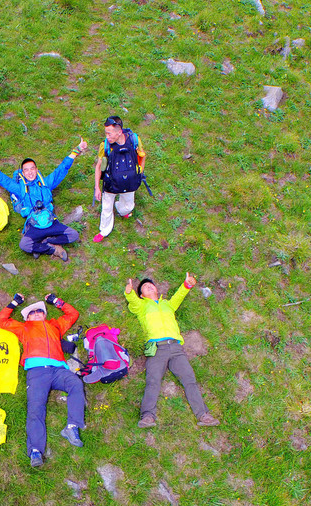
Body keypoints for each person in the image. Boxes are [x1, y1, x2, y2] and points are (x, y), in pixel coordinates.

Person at [0, 293, 86, 467]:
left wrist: (55, 301)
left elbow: (73, 315)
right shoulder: (23, 328)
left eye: (40, 311)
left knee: (76, 383)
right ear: (27, 318)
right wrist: (14, 303)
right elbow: (1, 320)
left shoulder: (55, 326)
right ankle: (36, 451)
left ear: (45, 314)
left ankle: (72, 427)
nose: (37, 313)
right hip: (37, 372)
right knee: (35, 408)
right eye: (32, 312)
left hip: (59, 370)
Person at [124, 273, 220, 428]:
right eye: (144, 287)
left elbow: (178, 297)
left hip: (176, 348)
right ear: (141, 295)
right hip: (156, 348)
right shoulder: (141, 307)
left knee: (189, 380)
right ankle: (148, 416)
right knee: (153, 381)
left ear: (156, 289)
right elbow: (133, 302)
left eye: (151, 285)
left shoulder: (168, 305)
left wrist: (187, 285)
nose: (149, 286)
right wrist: (129, 292)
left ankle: (203, 415)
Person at [0, 140, 87, 261]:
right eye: (26, 170)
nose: (30, 172)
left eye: (32, 169)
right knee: (24, 245)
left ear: (37, 169)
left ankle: (43, 242)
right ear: (22, 173)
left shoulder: (46, 183)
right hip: (33, 224)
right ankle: (53, 249)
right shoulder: (19, 189)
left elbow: (62, 168)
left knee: (73, 235)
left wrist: (77, 149)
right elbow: (1, 178)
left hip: (50, 221)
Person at [92, 115, 147, 243]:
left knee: (128, 206)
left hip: (130, 182)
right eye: (106, 133)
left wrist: (139, 173)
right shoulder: (104, 146)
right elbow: (99, 166)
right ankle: (104, 231)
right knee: (106, 208)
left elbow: (142, 156)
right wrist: (97, 188)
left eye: (109, 134)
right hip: (110, 183)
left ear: (119, 132)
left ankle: (122, 210)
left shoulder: (134, 140)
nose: (107, 137)